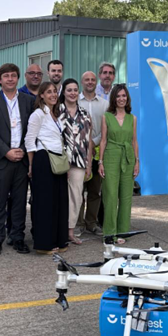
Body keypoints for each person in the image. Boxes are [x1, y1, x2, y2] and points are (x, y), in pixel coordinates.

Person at [0, 63, 34, 256]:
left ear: (18, 79)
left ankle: (17, 238)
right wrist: (6, 151)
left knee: (20, 201)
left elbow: (32, 128)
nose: (10, 79)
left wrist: (21, 149)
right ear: (0, 80)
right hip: (0, 159)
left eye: (13, 75)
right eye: (6, 76)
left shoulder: (28, 101)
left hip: (21, 159)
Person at [25, 82, 69, 253]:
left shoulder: (56, 114)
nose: (52, 95)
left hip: (58, 159)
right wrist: (31, 165)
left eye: (55, 92)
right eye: (48, 92)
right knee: (45, 203)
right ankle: (44, 243)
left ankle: (60, 240)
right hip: (43, 159)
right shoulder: (38, 114)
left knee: (59, 202)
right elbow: (29, 140)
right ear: (41, 95)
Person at [98, 84, 139, 242]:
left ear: (127, 98)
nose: (121, 99)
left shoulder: (132, 118)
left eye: (124, 96)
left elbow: (134, 141)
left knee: (126, 196)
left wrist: (137, 161)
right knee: (110, 195)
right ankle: (109, 233)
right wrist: (100, 162)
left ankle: (122, 232)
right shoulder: (106, 117)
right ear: (113, 98)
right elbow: (103, 140)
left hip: (128, 158)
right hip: (111, 157)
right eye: (118, 96)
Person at [58, 78, 93, 245]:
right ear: (63, 92)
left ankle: (70, 231)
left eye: (75, 90)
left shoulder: (85, 114)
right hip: (58, 161)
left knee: (76, 196)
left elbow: (89, 141)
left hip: (79, 161)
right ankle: (57, 230)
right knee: (58, 197)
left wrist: (89, 163)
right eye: (69, 90)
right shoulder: (56, 112)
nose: (72, 93)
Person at [76, 71, 108, 237]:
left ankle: (91, 223)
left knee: (95, 191)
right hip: (78, 152)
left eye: (92, 80)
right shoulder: (75, 101)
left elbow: (106, 129)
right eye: (86, 79)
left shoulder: (103, 104)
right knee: (78, 190)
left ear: (96, 82)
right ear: (82, 82)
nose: (90, 82)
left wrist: (93, 142)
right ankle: (78, 223)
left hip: (96, 152)